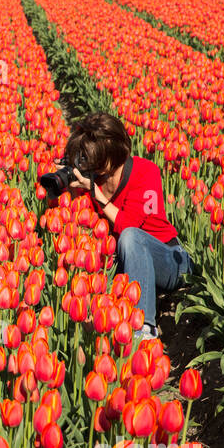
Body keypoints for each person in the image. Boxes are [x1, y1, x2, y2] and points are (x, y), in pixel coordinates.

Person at [61, 112, 192, 341]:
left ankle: (144, 328)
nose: (92, 165)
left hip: (170, 259)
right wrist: (72, 189)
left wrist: (97, 195)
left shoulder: (146, 172)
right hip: (124, 265)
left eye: (97, 158)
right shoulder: (92, 179)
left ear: (112, 154)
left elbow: (130, 228)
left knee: (130, 237)